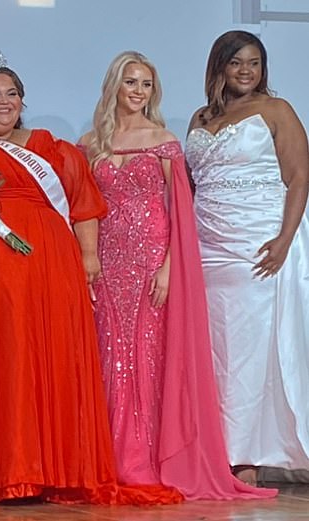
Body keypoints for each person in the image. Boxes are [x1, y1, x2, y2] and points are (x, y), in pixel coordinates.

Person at [0, 49, 183, 505]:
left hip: (48, 275)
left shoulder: (51, 147)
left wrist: (89, 258)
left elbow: (84, 204)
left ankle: (46, 471)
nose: (4, 101)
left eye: (12, 93)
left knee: (42, 363)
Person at [80, 50, 277, 500]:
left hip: (152, 259)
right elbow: (85, 209)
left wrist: (170, 266)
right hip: (108, 262)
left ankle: (150, 457)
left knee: (148, 356)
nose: (137, 91)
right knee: (111, 355)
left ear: (154, 90)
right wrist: (86, 258)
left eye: (146, 84)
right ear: (114, 86)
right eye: (130, 82)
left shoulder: (165, 139)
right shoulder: (91, 144)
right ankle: (109, 456)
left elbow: (179, 211)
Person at [186, 30, 309, 485]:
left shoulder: (277, 111)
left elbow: (299, 178)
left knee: (251, 350)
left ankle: (248, 457)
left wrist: (284, 238)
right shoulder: (199, 117)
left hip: (256, 246)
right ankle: (215, 449)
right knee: (215, 348)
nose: (245, 71)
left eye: (253, 63)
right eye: (236, 62)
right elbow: (193, 185)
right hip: (207, 248)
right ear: (218, 66)